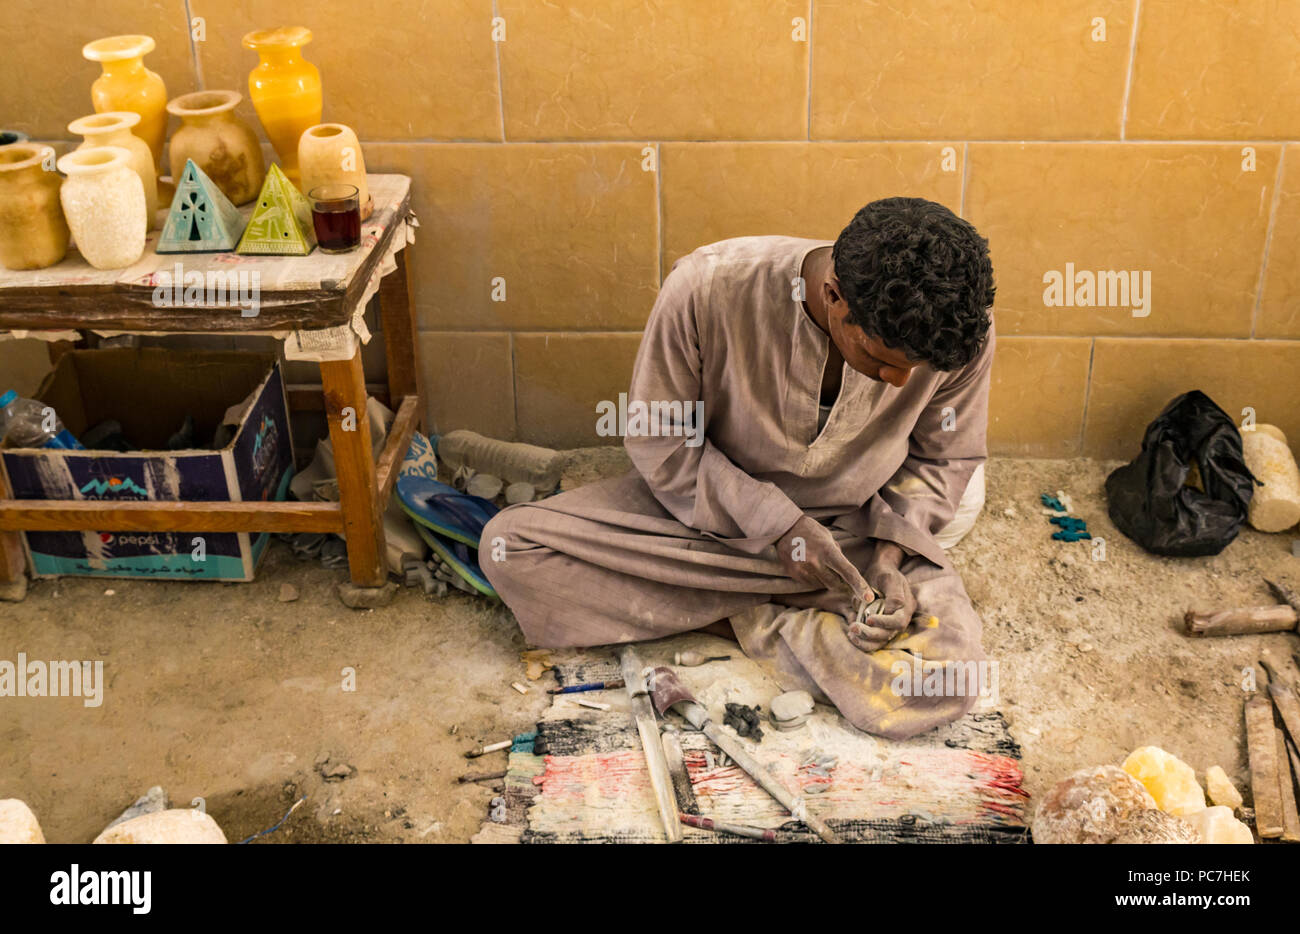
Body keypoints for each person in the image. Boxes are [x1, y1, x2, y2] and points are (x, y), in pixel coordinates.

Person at [481, 197, 996, 740]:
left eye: (911, 370)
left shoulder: (962, 332)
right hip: (709, 520)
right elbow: (663, 441)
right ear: (833, 295)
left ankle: (740, 610)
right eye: (881, 359)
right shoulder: (707, 287)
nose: (897, 382)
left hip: (859, 533)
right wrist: (780, 529)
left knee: (947, 681)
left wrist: (891, 560)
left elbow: (943, 459)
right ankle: (764, 618)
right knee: (511, 549)